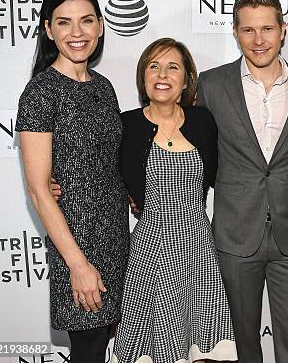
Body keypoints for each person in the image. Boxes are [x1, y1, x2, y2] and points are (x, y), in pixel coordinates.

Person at [195, 0, 288, 363]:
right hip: (234, 233)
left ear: (283, 29)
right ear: (235, 32)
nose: (258, 39)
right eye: (248, 29)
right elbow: (193, 153)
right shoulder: (211, 85)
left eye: (267, 28)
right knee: (242, 345)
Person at [16, 0, 129, 362]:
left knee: (102, 345)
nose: (76, 33)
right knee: (89, 349)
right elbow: (38, 191)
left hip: (116, 235)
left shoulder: (105, 87)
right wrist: (77, 265)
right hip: (76, 242)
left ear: (100, 26)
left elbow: (106, 162)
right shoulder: (40, 93)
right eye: (64, 23)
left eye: (86, 21)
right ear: (48, 29)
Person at [111, 38, 237, 362]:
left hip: (198, 249)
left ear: (185, 79)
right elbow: (100, 173)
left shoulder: (203, 122)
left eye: (172, 67)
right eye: (153, 66)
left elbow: (228, 172)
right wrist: (56, 183)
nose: (162, 74)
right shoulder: (126, 124)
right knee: (155, 349)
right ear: (143, 77)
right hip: (151, 250)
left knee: (204, 348)